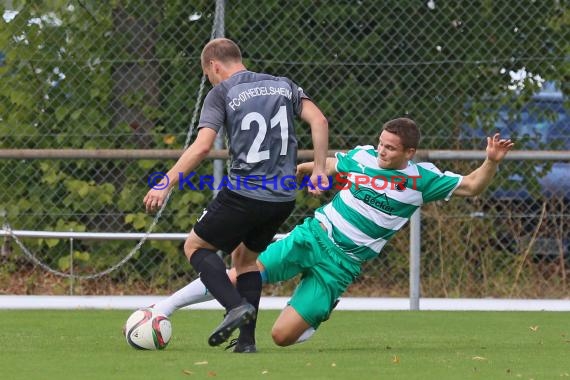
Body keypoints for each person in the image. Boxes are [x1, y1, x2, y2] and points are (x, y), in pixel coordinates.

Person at [149, 117, 514, 349]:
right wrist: (303, 173)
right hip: (314, 235)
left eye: (390, 148)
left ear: (410, 152)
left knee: (281, 338)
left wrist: (491, 163)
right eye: (381, 143)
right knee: (240, 272)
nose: (382, 150)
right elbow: (320, 166)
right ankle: (162, 309)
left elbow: (471, 186)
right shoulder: (362, 156)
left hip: (342, 265)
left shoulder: (423, 179)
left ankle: (319, 309)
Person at [143, 38, 329, 351]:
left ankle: (233, 307)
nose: (210, 80)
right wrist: (320, 168)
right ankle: (246, 342)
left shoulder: (222, 92)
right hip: (283, 197)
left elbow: (203, 146)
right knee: (245, 261)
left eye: (208, 75)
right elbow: (319, 120)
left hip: (245, 193)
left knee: (196, 246)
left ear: (214, 66)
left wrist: (167, 182)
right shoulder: (283, 86)